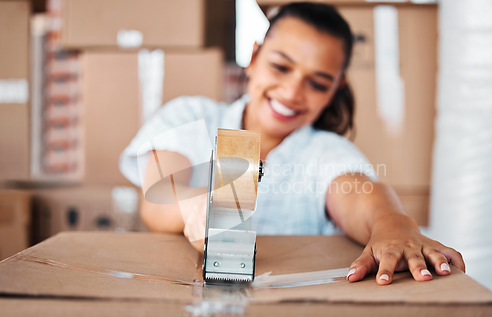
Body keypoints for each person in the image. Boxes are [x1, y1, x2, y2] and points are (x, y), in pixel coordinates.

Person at [119, 2, 464, 285]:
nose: (292, 93)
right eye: (281, 67)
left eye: (317, 83)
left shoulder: (325, 152)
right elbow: (157, 198)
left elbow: (362, 195)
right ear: (254, 57)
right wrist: (191, 208)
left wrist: (394, 224)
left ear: (336, 89)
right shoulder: (190, 117)